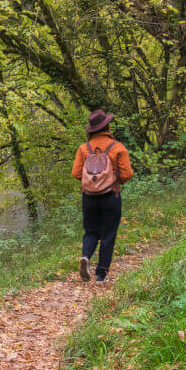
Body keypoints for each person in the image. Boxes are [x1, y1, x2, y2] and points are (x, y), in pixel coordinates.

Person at [71, 109, 133, 283]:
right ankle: (101, 275)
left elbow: (76, 173)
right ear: (107, 126)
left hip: (89, 197)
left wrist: (92, 181)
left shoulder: (84, 149)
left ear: (91, 129)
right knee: (108, 234)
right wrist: (113, 179)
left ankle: (86, 256)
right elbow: (127, 173)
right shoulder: (118, 148)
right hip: (111, 196)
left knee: (90, 231)